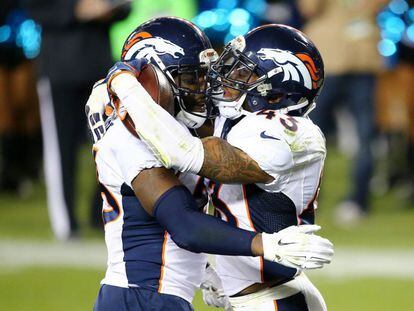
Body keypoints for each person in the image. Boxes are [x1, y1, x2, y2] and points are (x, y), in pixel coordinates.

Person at [89, 17, 334, 311]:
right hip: (143, 296)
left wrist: (124, 86)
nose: (209, 86)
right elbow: (182, 225)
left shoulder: (282, 130)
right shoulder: (135, 135)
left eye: (243, 74)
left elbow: (185, 154)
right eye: (193, 78)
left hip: (270, 297)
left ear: (278, 93)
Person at [25, 0, 131, 240]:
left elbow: (126, 7)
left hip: (99, 69)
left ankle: (100, 213)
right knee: (61, 149)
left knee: (110, 145)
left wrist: (109, 10)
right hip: (59, 70)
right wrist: (75, 11)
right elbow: (34, 9)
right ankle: (66, 222)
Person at [298, 0, 387, 224]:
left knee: (366, 136)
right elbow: (308, 8)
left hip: (362, 62)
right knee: (310, 135)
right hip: (328, 61)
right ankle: (305, 197)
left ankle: (358, 200)